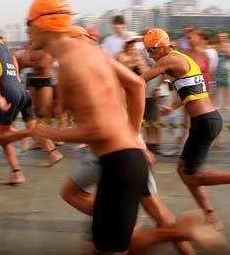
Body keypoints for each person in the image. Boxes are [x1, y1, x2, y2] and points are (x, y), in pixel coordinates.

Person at [28, 0, 225, 254]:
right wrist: (133, 134)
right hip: (126, 158)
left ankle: (182, 231)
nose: (27, 30)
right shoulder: (90, 53)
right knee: (104, 248)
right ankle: (177, 231)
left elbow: (100, 129)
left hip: (118, 164)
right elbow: (134, 84)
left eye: (28, 23)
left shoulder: (74, 62)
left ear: (42, 24)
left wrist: (46, 131)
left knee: (110, 248)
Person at [62, 26, 196, 255]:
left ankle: (177, 232)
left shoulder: (92, 68)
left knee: (73, 195)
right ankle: (124, 219)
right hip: (120, 150)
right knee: (154, 211)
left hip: (116, 150)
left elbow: (135, 88)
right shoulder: (97, 65)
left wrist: (134, 138)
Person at [142, 28, 230, 230]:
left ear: (164, 46)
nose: (150, 55)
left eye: (152, 50)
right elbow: (193, 90)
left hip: (205, 121)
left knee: (189, 174)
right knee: (186, 171)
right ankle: (210, 216)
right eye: (147, 51)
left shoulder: (168, 60)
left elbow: (139, 81)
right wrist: (173, 106)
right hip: (206, 119)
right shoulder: (181, 58)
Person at [0, 18, 62, 185]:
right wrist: (9, 88)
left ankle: (34, 136)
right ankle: (51, 153)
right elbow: (12, 71)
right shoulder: (5, 48)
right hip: (22, 92)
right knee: (12, 131)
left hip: (9, 94)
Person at [214, 33, 230, 111]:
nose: (221, 38)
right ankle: (216, 104)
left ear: (226, 38)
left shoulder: (229, 46)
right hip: (219, 68)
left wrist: (226, 50)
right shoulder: (216, 47)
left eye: (223, 37)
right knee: (218, 86)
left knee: (227, 87)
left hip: (227, 68)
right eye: (219, 37)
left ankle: (227, 104)